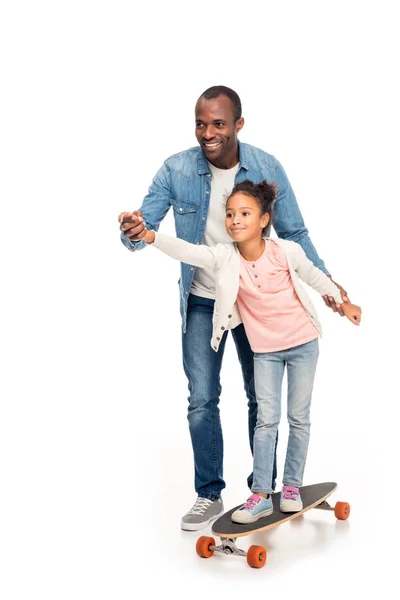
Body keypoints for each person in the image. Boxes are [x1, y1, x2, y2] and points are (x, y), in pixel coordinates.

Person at [118, 85, 351, 531]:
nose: (208, 132)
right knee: (202, 399)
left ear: (238, 125)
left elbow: (295, 234)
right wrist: (133, 230)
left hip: (258, 304)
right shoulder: (176, 168)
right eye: (201, 124)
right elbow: (144, 229)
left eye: (219, 124)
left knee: (261, 401)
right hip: (204, 301)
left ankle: (262, 490)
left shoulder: (266, 167)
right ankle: (208, 494)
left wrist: (328, 286)